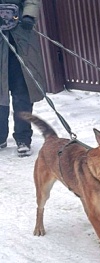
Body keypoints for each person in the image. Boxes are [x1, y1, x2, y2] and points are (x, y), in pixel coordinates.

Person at [0, 0, 45, 157]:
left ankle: (23, 139)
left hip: (21, 40)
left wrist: (29, 16)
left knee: (22, 92)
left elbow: (31, 1)